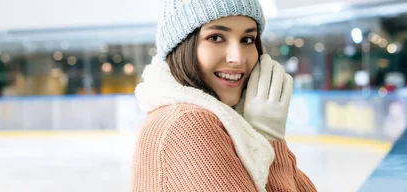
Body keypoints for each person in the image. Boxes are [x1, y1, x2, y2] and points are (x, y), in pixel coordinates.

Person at [131, 0, 317, 191]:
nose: (237, 58)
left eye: (247, 40)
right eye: (216, 37)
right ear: (181, 44)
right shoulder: (188, 122)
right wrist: (268, 140)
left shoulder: (225, 121)